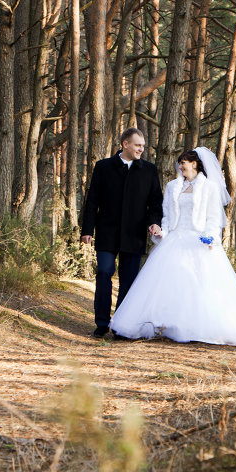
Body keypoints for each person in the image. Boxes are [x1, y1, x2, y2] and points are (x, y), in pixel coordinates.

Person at [109, 147, 236, 345]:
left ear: (195, 164)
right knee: (165, 285)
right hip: (174, 240)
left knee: (199, 286)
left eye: (183, 162)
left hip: (198, 241)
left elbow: (213, 217)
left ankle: (197, 327)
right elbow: (167, 216)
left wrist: (210, 237)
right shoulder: (173, 186)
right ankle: (165, 325)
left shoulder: (209, 187)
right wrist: (161, 232)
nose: (180, 166)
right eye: (179, 162)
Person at [80, 128, 164, 338]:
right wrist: (87, 230)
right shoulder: (103, 167)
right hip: (107, 232)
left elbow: (155, 203)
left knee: (128, 281)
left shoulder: (149, 170)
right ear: (125, 144)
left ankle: (121, 326)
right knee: (104, 272)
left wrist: (154, 223)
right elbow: (92, 201)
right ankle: (101, 323)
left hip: (134, 235)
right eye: (137, 145)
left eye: (143, 146)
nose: (141, 149)